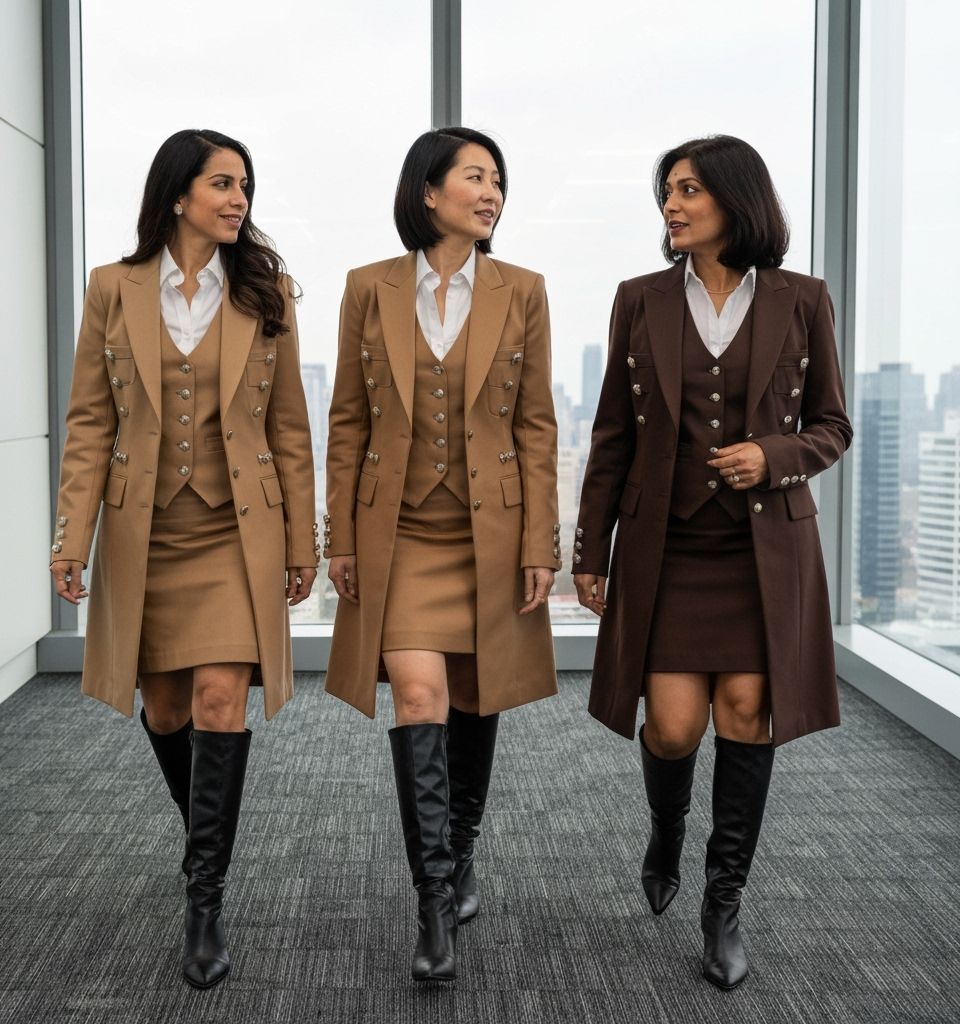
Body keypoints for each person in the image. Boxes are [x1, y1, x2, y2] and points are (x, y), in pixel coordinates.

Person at [573, 135, 852, 990]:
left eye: (688, 189)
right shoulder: (639, 299)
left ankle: (723, 904)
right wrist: (591, 551)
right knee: (673, 726)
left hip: (764, 551)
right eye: (667, 191)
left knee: (745, 711)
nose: (673, 204)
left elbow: (832, 428)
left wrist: (772, 454)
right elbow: (613, 434)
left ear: (736, 199)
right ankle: (667, 828)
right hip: (668, 547)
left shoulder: (803, 300)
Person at [49, 129, 317, 989]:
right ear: (177, 196)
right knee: (164, 709)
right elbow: (90, 422)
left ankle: (205, 898)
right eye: (222, 184)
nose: (239, 199)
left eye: (245, 186)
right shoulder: (112, 289)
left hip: (238, 532)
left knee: (217, 699)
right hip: (145, 534)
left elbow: (291, 430)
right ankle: (206, 839)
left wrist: (303, 541)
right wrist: (70, 537)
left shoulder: (265, 292)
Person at [323, 127, 561, 982]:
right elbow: (346, 422)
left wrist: (542, 543)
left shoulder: (523, 289)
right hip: (402, 534)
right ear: (429, 192)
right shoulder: (366, 288)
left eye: (498, 179)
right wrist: (338, 537)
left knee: (473, 692)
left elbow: (536, 426)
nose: (491, 191)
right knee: (418, 695)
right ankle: (432, 904)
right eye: (474, 176)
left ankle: (461, 855)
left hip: (488, 535)